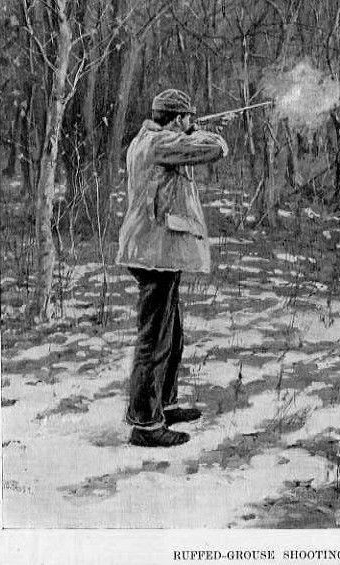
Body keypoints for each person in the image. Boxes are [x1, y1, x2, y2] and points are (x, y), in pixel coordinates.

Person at [116, 89, 229, 447]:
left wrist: (190, 130)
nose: (191, 123)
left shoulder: (156, 139)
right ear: (177, 119)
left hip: (157, 248)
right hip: (154, 251)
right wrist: (198, 133)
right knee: (155, 340)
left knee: (172, 335)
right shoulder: (160, 142)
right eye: (187, 118)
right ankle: (146, 424)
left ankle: (164, 403)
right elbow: (216, 148)